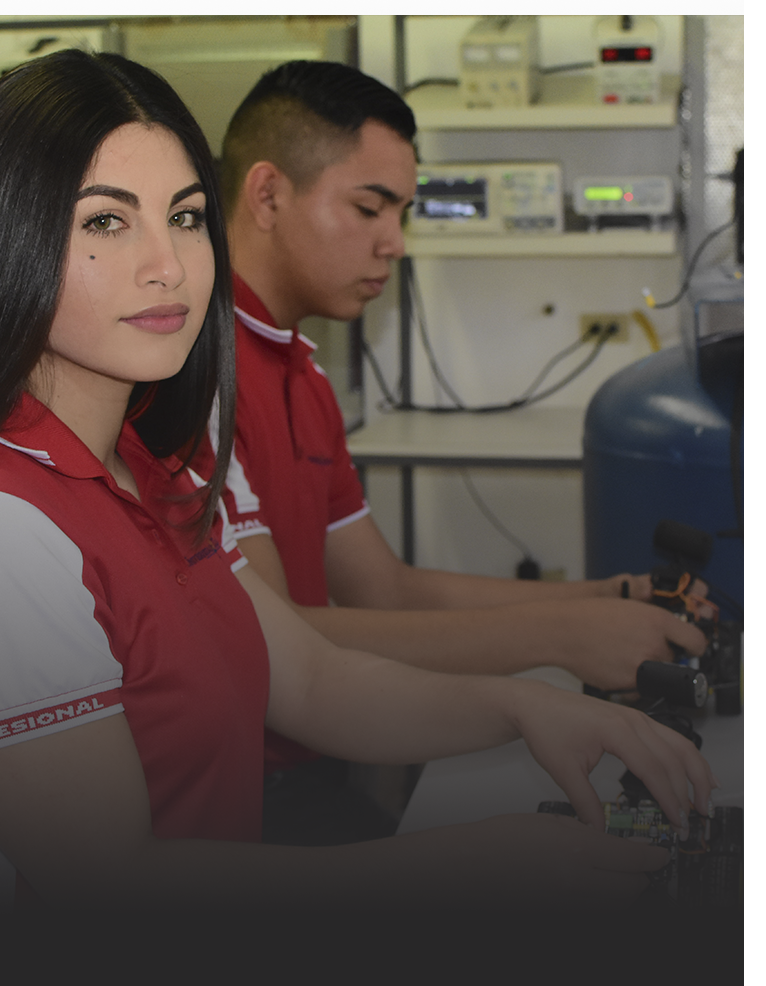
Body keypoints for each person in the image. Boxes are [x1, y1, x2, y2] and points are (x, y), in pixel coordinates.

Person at [0, 49, 715, 923]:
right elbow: (112, 885)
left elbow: (315, 680)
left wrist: (528, 707)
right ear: (8, 240)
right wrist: (472, 865)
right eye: (106, 222)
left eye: (185, 216)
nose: (169, 264)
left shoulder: (157, 467)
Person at [190, 59, 712, 838]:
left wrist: (604, 598)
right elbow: (285, 638)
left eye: (401, 213)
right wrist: (561, 637)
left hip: (318, 761)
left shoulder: (301, 370)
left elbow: (385, 588)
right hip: (242, 797)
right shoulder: (199, 378)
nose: (394, 244)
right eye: (369, 208)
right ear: (267, 194)